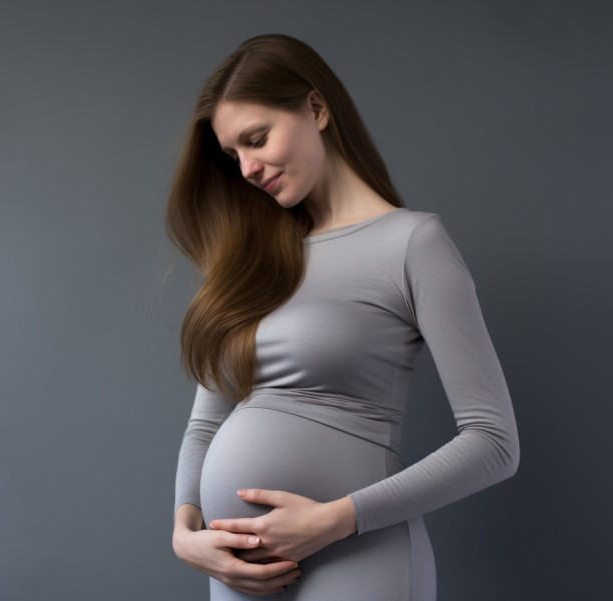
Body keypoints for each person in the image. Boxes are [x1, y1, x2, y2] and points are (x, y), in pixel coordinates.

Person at [165, 33, 519, 601]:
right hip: (237, 575)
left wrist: (333, 520)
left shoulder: (411, 244)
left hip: (358, 559)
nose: (249, 168)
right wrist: (186, 534)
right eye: (234, 156)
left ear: (317, 108)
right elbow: (206, 423)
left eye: (257, 140)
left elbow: (494, 443)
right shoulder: (248, 261)